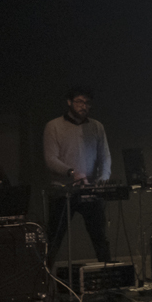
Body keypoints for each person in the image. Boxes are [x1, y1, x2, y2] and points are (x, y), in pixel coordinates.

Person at [44, 87, 112, 268]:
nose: (84, 106)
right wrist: (72, 173)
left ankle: (109, 281)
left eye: (87, 103)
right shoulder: (54, 126)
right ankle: (44, 282)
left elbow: (105, 156)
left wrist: (103, 179)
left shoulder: (96, 127)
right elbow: (51, 159)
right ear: (69, 102)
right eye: (79, 102)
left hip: (89, 189)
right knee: (54, 238)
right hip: (63, 190)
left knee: (100, 238)